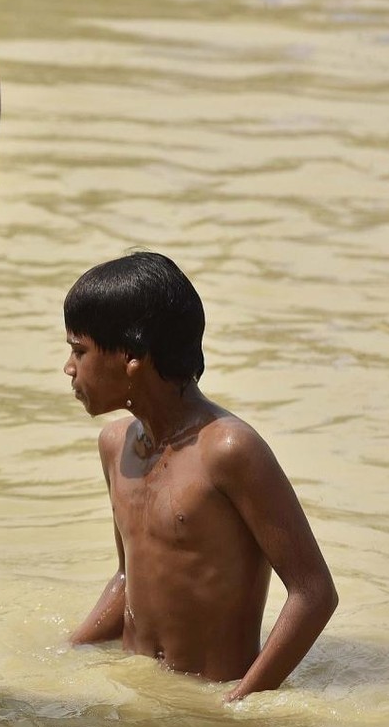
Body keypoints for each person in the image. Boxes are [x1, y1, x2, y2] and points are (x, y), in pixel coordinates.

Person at [63, 252, 339, 701]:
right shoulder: (114, 445)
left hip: (210, 703)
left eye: (80, 350)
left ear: (132, 354)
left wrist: (240, 704)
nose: (69, 368)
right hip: (133, 692)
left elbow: (314, 593)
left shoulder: (229, 450)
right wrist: (68, 653)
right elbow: (129, 577)